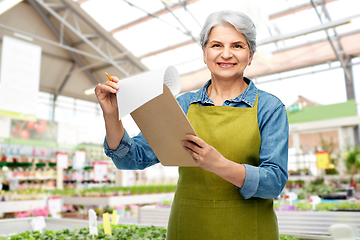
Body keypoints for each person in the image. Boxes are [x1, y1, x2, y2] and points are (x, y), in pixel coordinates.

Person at [95, 10, 289, 240]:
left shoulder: (269, 108)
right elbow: (132, 159)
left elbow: (274, 182)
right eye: (216, 45)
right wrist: (112, 116)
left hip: (249, 231)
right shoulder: (183, 104)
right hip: (188, 228)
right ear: (204, 52)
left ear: (251, 55)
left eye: (237, 46)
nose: (226, 54)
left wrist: (219, 164)